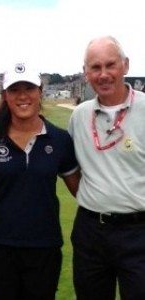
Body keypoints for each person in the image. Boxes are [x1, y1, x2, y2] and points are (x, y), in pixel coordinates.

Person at [0, 62, 80, 300]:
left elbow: (80, 191)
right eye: (14, 90)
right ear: (5, 95)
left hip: (44, 245)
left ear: (40, 91)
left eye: (29, 88)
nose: (23, 96)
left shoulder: (60, 139)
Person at [68, 36, 145, 300]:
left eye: (110, 65)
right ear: (85, 72)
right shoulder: (79, 116)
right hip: (91, 232)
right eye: (95, 67)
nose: (103, 75)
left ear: (125, 65)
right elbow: (72, 169)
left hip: (138, 232)